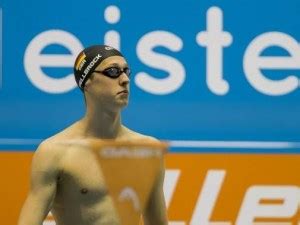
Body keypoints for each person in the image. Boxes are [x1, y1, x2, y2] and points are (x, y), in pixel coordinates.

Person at [18, 45, 168, 225]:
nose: (125, 79)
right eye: (113, 71)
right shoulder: (54, 152)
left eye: (127, 71)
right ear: (87, 81)